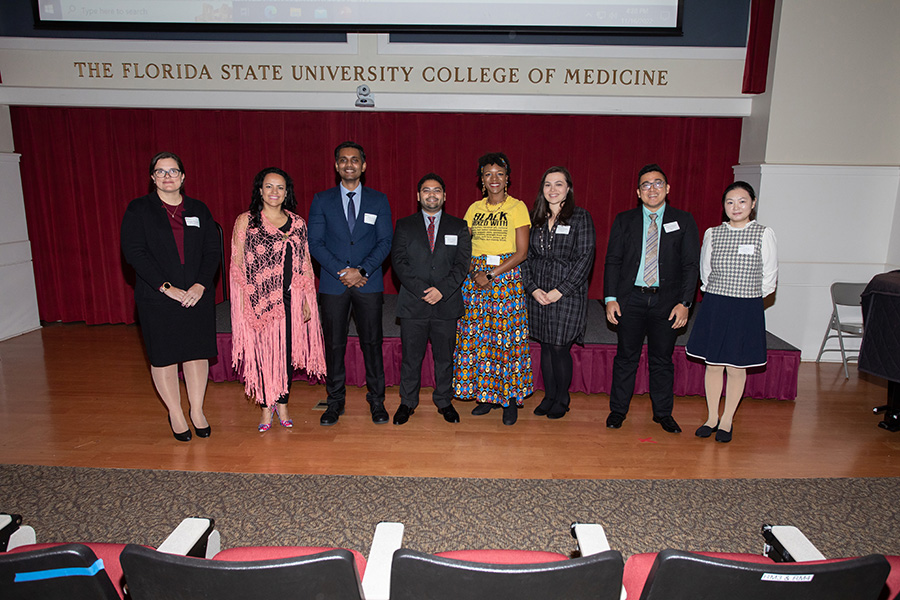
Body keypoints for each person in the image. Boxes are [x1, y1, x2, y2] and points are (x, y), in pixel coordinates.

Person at [120, 151, 219, 442]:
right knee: (164, 356)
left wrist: (200, 285)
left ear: (183, 176)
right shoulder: (139, 210)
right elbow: (134, 253)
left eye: (173, 171)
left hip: (196, 296)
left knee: (196, 353)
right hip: (158, 297)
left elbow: (212, 251)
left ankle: (197, 410)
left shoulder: (199, 209)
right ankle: (176, 413)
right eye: (161, 172)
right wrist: (166, 288)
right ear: (152, 178)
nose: (167, 177)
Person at [604, 163, 700, 433]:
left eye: (658, 183)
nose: (652, 189)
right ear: (638, 192)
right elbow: (612, 261)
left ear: (667, 189)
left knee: (662, 359)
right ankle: (618, 411)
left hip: (667, 304)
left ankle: (663, 413)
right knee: (626, 357)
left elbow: (691, 265)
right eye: (646, 184)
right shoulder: (625, 220)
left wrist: (685, 303)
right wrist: (610, 298)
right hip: (630, 300)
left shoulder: (683, 220)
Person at [230, 167, 326, 431]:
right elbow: (237, 265)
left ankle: (282, 403)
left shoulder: (298, 224)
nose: (274, 192)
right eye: (269, 186)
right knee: (263, 355)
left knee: (284, 355)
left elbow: (305, 265)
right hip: (259, 302)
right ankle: (265, 407)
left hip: (291, 302)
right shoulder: (246, 222)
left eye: (280, 187)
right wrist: (242, 302)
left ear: (287, 193)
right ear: (260, 190)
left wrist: (307, 301)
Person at [308, 141, 393, 426]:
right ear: (336, 166)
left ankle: (377, 402)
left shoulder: (379, 200)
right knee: (334, 345)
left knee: (372, 343)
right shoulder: (322, 200)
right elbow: (315, 243)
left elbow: (385, 242)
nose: (349, 164)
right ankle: (334, 402)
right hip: (333, 284)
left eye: (354, 160)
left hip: (368, 282)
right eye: (343, 160)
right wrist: (342, 271)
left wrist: (363, 270)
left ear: (363, 165)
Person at [686, 181, 777, 443]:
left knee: (736, 366)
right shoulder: (713, 233)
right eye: (730, 202)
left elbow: (769, 276)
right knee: (713, 364)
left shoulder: (763, 233)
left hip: (745, 306)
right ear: (724, 206)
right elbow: (706, 272)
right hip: (716, 304)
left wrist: (749, 300)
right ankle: (712, 417)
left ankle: (727, 420)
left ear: (753, 203)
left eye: (742, 201)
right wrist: (716, 293)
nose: (736, 207)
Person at [453, 152, 533, 425]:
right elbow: (464, 246)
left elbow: (522, 252)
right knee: (479, 338)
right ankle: (486, 396)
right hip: (474, 279)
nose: (494, 179)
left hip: (505, 278)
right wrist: (473, 272)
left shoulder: (518, 207)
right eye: (488, 174)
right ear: (482, 180)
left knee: (505, 339)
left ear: (507, 178)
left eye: (499, 173)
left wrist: (491, 273)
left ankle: (509, 399)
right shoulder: (474, 209)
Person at [391, 173, 472, 425]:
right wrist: (423, 291)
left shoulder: (458, 226)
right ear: (418, 196)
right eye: (426, 190)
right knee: (411, 359)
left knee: (445, 358)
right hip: (413, 304)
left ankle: (444, 401)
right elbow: (399, 263)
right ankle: (407, 402)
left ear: (445, 196)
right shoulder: (404, 225)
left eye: (437, 190)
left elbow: (462, 264)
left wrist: (442, 290)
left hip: (446, 304)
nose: (432, 195)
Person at [521, 167, 596, 420]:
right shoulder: (534, 218)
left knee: (558, 347)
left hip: (567, 294)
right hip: (538, 293)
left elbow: (585, 259)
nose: (553, 189)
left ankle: (562, 398)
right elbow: (524, 257)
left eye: (559, 184)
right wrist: (532, 289)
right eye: (547, 184)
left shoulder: (580, 217)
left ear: (568, 189)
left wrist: (559, 291)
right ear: (542, 189)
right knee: (544, 345)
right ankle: (549, 395)